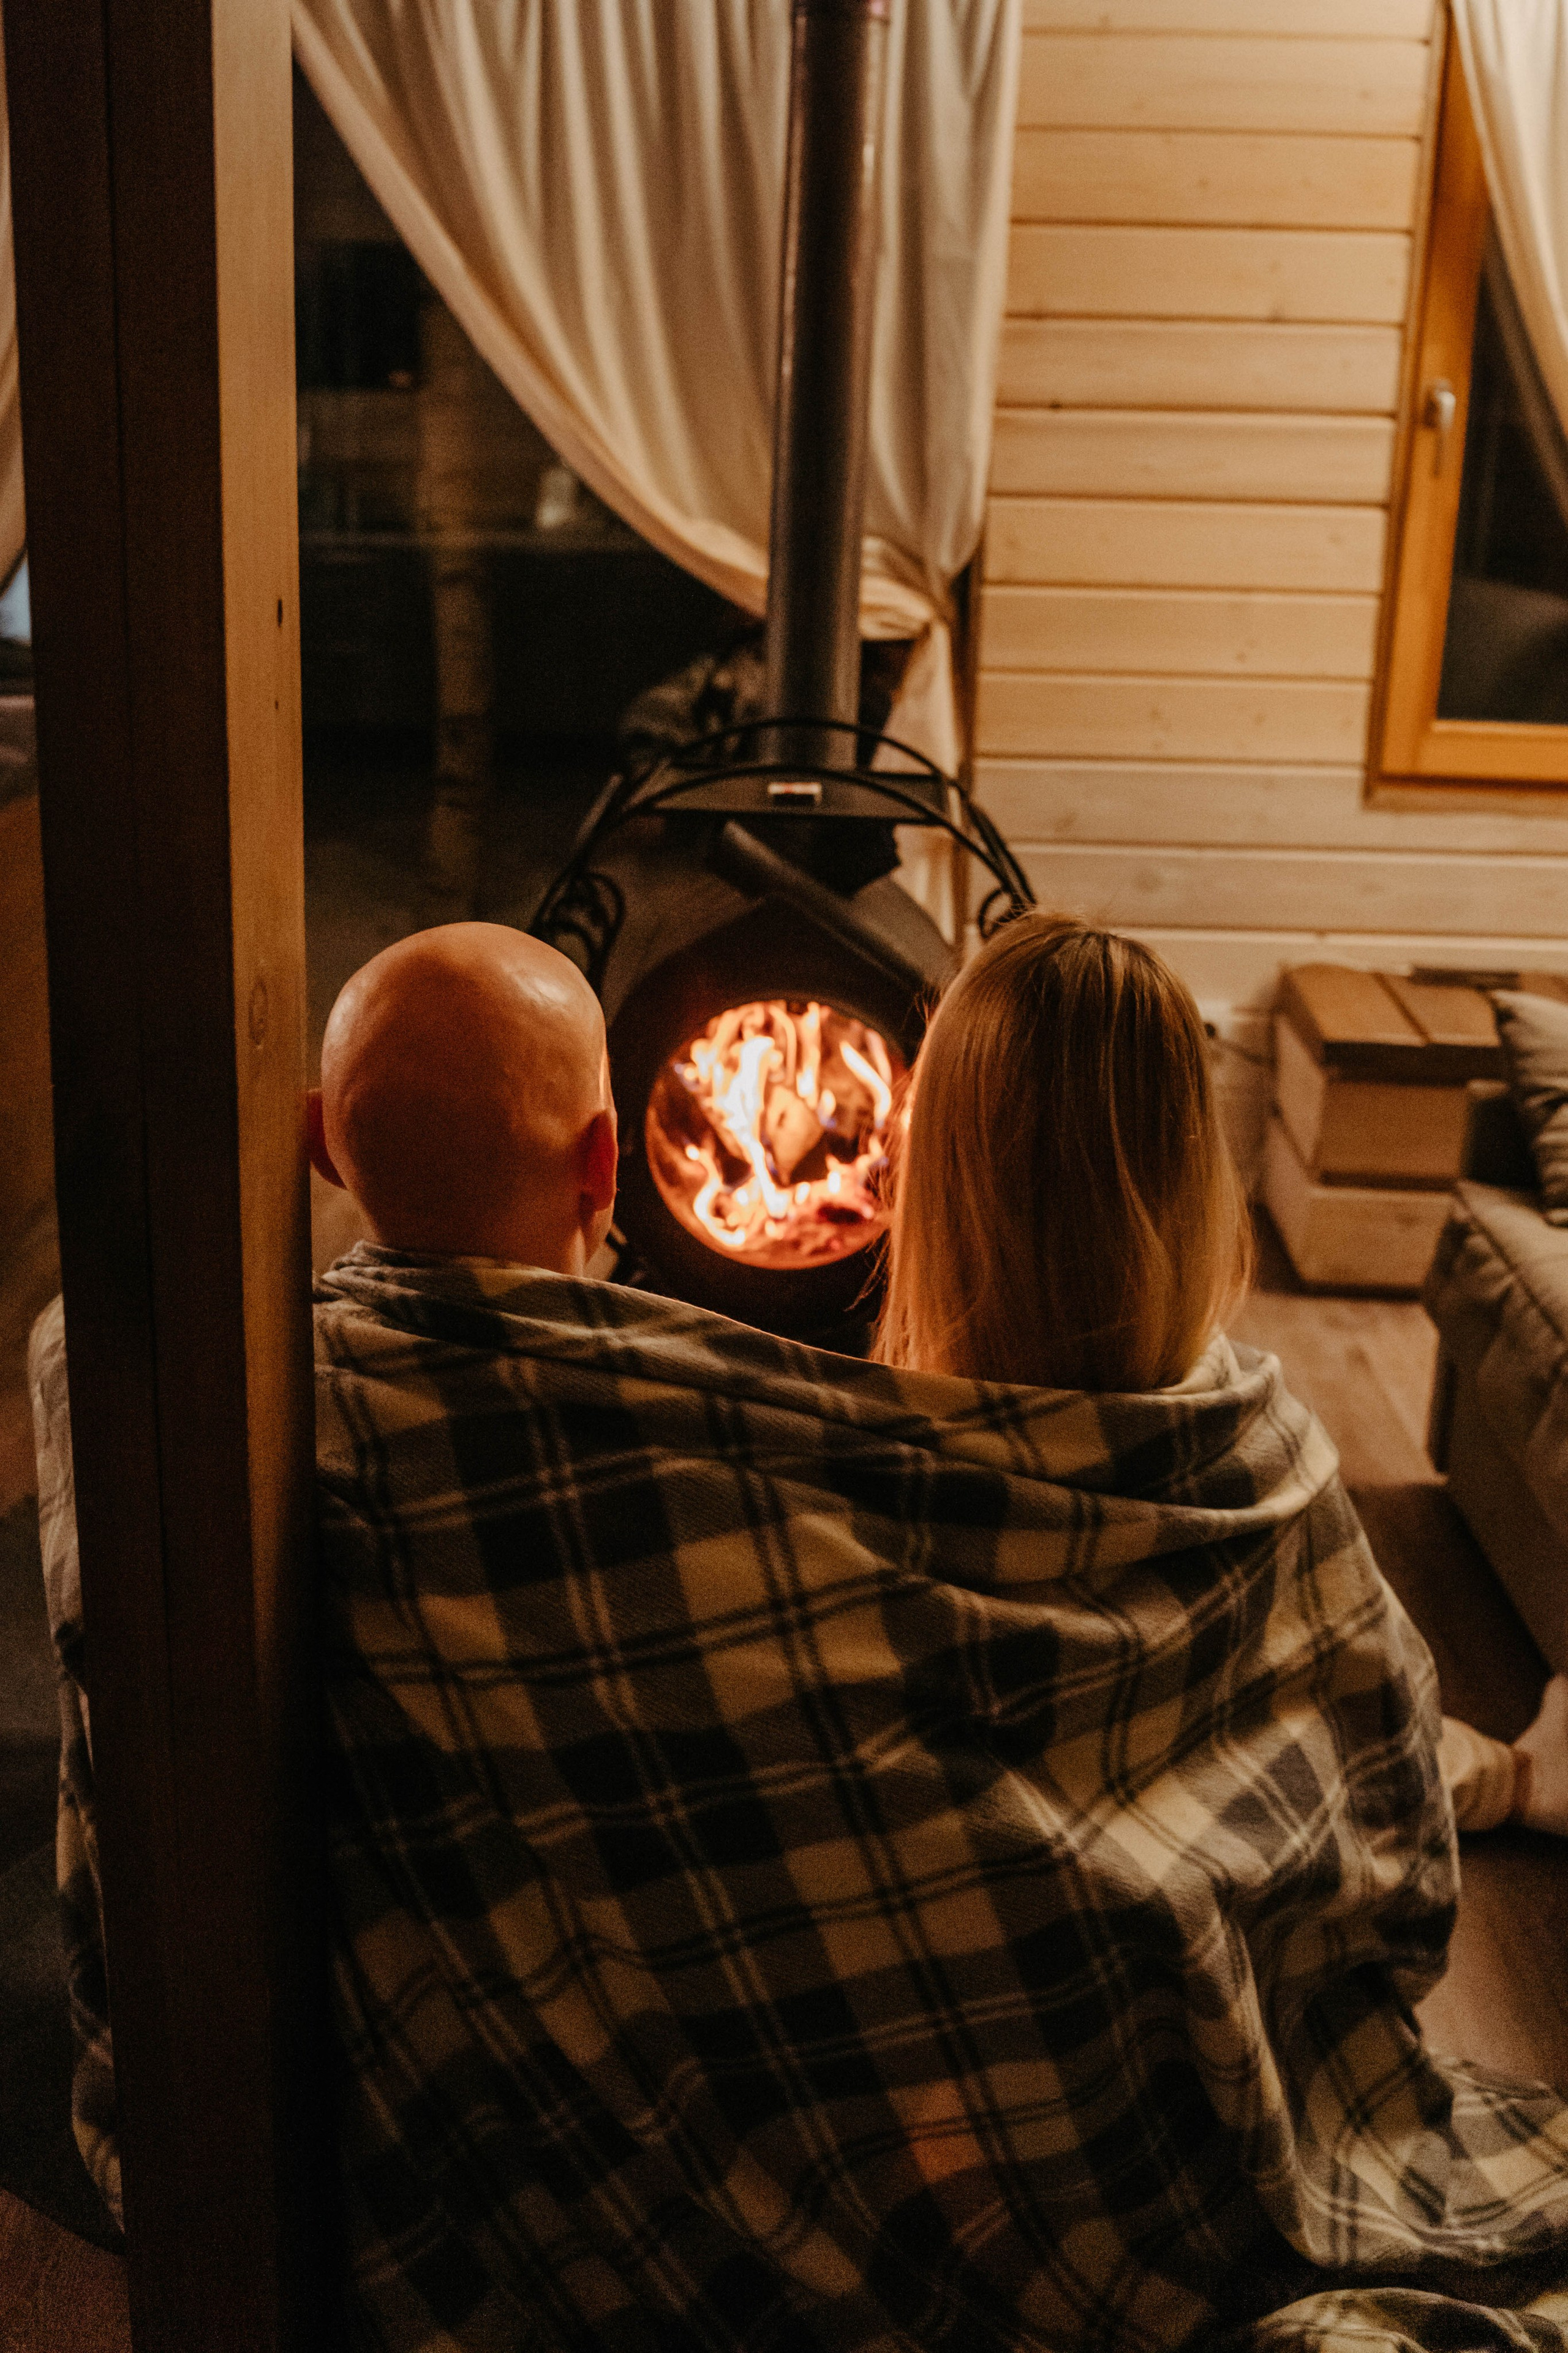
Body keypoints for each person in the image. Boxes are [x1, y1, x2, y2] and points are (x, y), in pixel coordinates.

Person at [31, 918, 1568, 2353]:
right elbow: (1379, 1856)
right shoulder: (1268, 1459)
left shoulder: (296, 1429)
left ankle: (1517, 1774)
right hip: (1181, 2142)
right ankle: (1519, 1774)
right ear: (609, 1160)